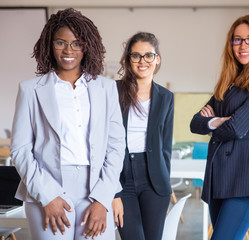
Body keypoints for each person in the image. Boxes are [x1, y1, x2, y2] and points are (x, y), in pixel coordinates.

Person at [10, 8, 125, 240]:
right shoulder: (30, 90)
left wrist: (103, 198)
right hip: (45, 187)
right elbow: (20, 150)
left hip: (95, 188)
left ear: (87, 46)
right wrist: (47, 196)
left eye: (77, 43)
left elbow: (116, 146)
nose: (69, 50)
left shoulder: (106, 88)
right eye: (61, 42)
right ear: (49, 45)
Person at [190, 15, 249, 239]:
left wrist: (218, 123)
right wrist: (219, 121)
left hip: (243, 177)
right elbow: (195, 123)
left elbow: (236, 129)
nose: (243, 46)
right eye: (237, 40)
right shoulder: (229, 79)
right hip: (217, 175)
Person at [112, 32, 174, 240]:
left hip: (154, 180)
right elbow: (103, 142)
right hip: (122, 178)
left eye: (148, 55)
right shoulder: (114, 91)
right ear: (128, 59)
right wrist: (113, 192)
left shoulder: (166, 97)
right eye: (136, 55)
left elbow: (165, 147)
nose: (142, 61)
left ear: (157, 59)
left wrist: (165, 186)